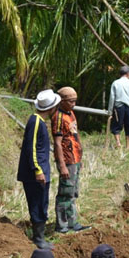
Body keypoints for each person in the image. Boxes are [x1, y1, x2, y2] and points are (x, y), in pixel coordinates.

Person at [17, 89, 61, 250]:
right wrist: (37, 170)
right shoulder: (35, 122)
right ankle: (38, 238)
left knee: (42, 202)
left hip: (41, 171)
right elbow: (31, 148)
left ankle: (40, 236)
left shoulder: (38, 122)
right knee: (37, 203)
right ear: (51, 108)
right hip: (35, 174)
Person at [52, 86, 90, 234]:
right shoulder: (58, 117)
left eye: (75, 101)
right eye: (70, 101)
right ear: (62, 101)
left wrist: (80, 156)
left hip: (75, 158)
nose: (73, 104)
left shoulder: (71, 113)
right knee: (65, 194)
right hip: (67, 160)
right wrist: (62, 166)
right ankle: (62, 226)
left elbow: (75, 134)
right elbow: (57, 143)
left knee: (73, 192)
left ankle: (73, 223)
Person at [108, 65, 129, 150]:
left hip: (118, 107)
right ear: (128, 74)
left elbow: (112, 97)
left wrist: (110, 111)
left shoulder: (115, 83)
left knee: (117, 125)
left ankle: (118, 143)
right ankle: (128, 146)